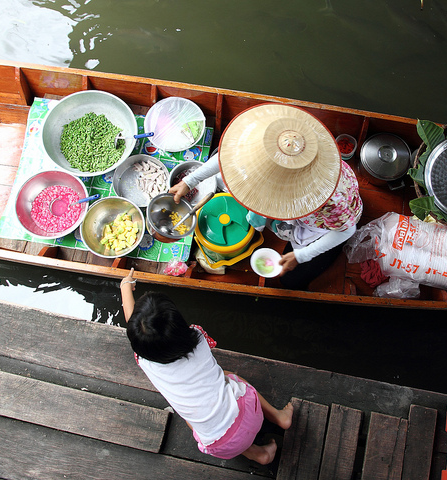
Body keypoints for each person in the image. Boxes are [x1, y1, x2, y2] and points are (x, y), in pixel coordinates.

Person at [170, 103, 363, 290]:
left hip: (329, 222)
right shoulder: (269, 138)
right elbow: (227, 156)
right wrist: (189, 181)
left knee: (290, 280)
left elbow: (347, 230)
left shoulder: (329, 198)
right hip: (310, 211)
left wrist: (302, 255)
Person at [120, 268, 293, 464]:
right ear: (178, 323)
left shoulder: (145, 361)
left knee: (192, 418)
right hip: (250, 413)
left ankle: (260, 455)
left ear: (138, 344)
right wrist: (127, 286)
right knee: (230, 377)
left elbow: (131, 322)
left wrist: (125, 288)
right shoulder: (198, 337)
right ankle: (278, 417)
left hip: (220, 444)